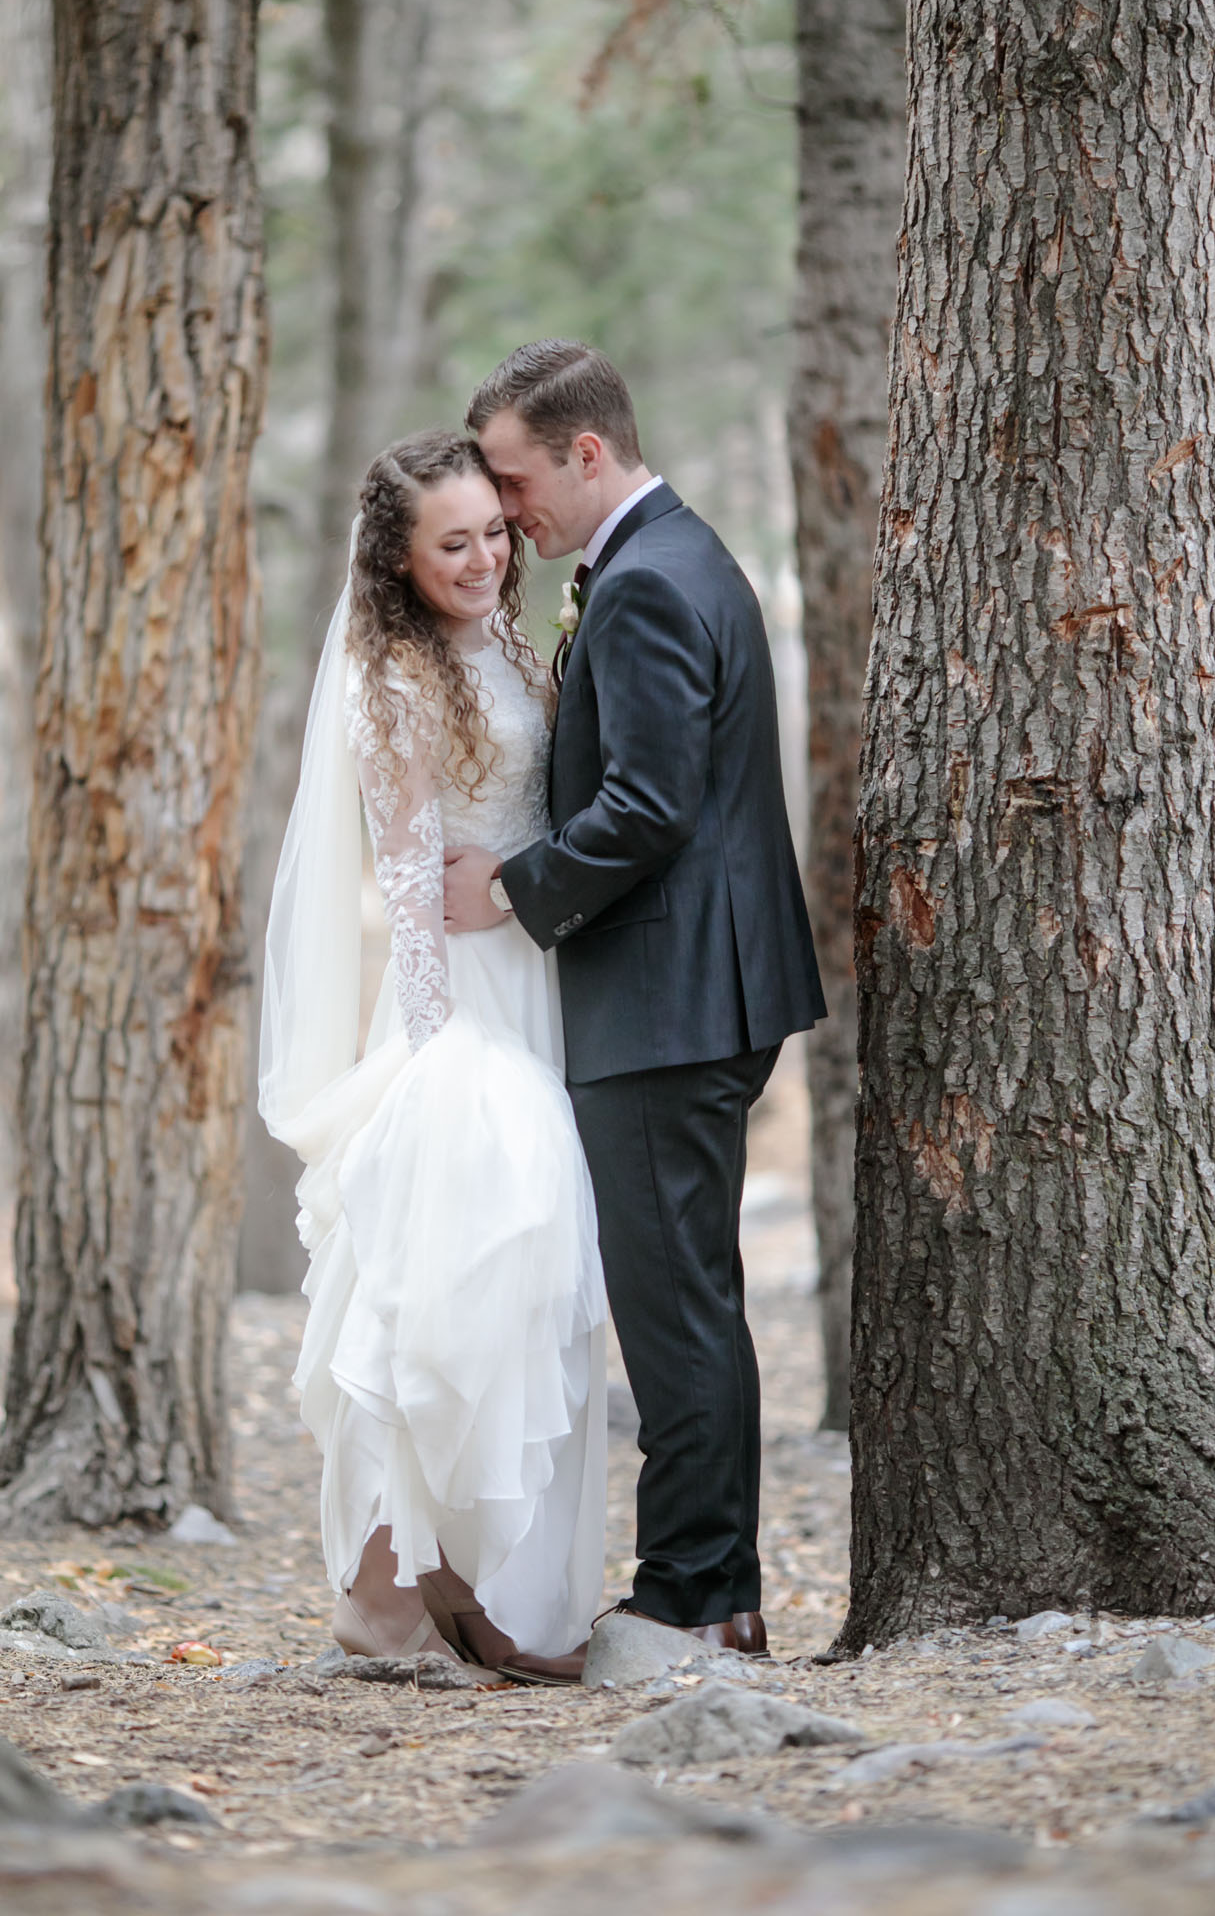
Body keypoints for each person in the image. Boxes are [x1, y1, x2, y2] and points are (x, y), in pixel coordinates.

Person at [445, 342, 825, 1654]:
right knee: (686, 1296)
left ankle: (695, 1598)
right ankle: (712, 1590)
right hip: (692, 984)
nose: (503, 512)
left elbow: (650, 808)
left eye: (512, 478)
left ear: (585, 452)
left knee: (675, 1308)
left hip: (670, 998)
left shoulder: (651, 583)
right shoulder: (668, 557)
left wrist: (508, 887)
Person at [259, 429, 606, 1684]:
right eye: (450, 543)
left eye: (493, 534)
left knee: (523, 1283)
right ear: (399, 560)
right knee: (451, 1279)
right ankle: (394, 1590)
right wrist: (427, 1051)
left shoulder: (508, 645)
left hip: (538, 981)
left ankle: (481, 1575)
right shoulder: (394, 679)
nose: (481, 558)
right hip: (453, 1006)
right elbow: (405, 880)